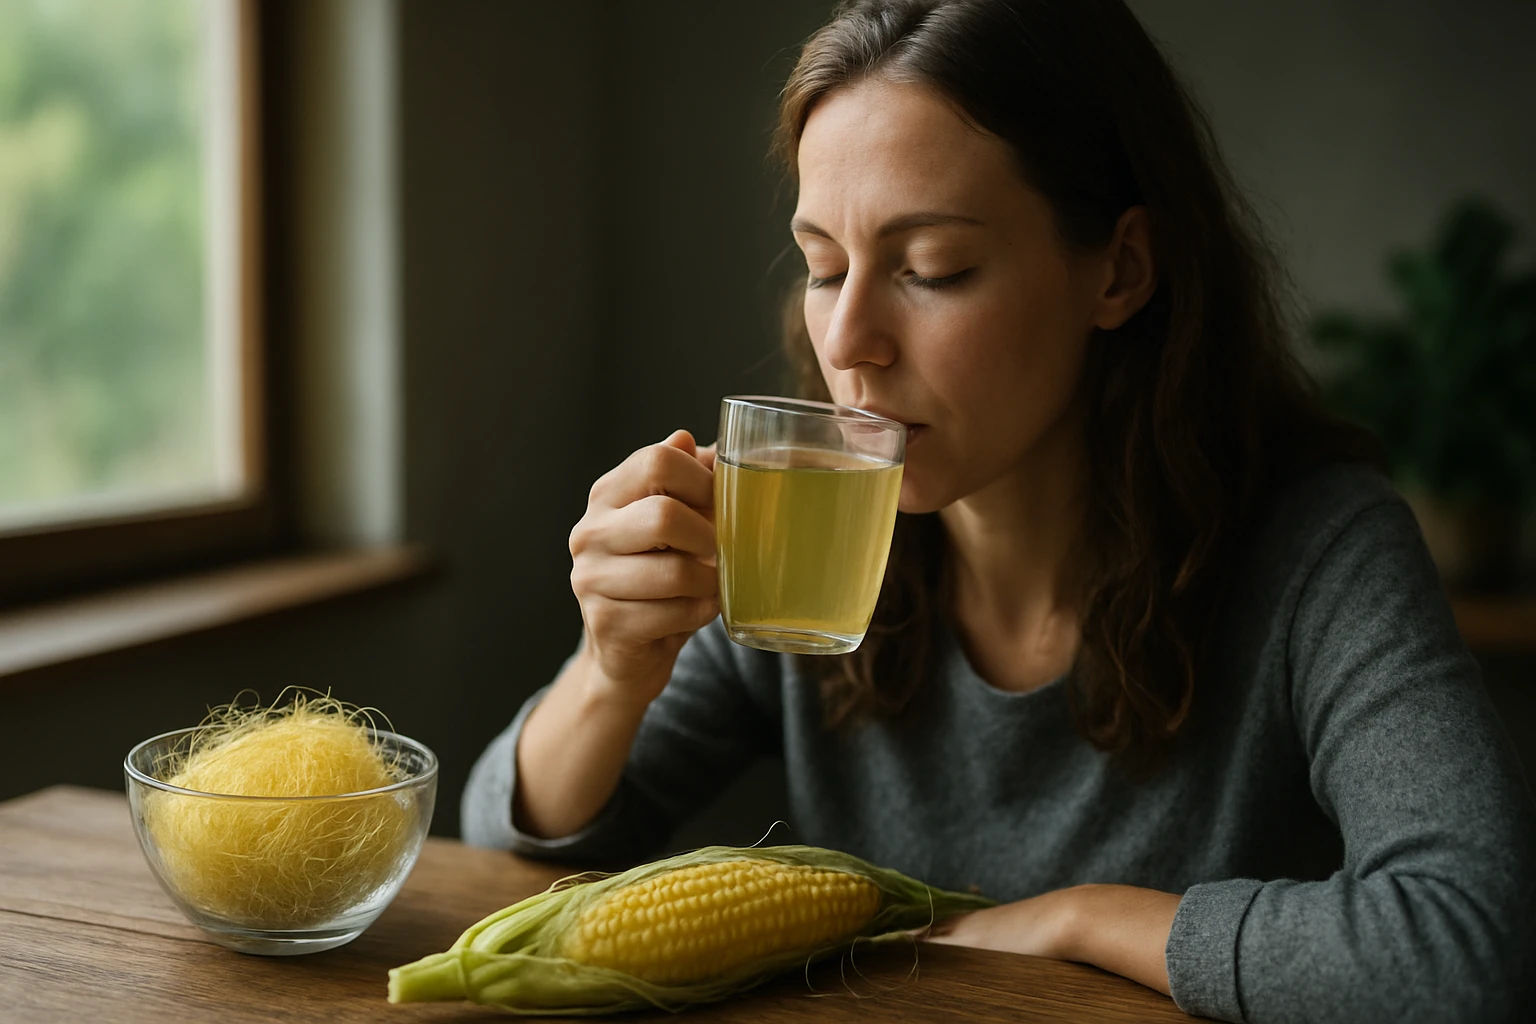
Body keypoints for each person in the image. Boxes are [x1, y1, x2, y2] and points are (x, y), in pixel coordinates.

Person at [463, 1, 1536, 1020]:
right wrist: (609, 671)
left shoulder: (1322, 556)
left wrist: (1079, 917)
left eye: (934, 268)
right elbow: (509, 852)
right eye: (824, 266)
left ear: (1118, 270)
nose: (848, 342)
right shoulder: (805, 531)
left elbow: (1463, 946)